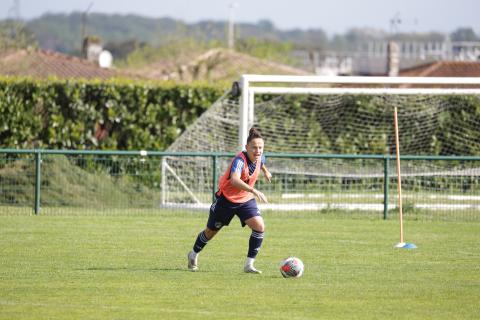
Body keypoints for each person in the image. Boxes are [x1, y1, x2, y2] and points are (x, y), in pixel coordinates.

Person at [187, 127, 272, 274]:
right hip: (226, 200)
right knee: (210, 232)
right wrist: (253, 190)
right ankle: (193, 254)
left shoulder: (260, 157)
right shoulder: (239, 160)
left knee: (259, 226)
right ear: (246, 148)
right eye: (254, 148)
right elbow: (234, 180)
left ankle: (249, 265)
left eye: (260, 148)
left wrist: (266, 171)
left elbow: (261, 162)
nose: (258, 151)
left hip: (245, 200)